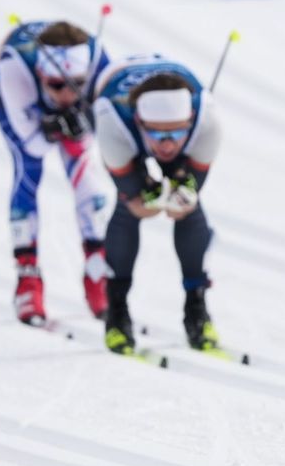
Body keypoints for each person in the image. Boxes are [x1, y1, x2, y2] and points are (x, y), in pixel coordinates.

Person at [91, 54, 223, 356]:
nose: (167, 143)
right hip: (113, 90)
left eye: (177, 132)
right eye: (159, 134)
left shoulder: (208, 124)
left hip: (166, 114)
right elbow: (135, 199)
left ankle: (196, 307)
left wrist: (181, 186)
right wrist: (142, 193)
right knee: (131, 208)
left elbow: (188, 196)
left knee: (187, 207)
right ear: (139, 122)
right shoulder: (113, 122)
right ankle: (117, 311)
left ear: (190, 121)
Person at [0, 20, 112, 325]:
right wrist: (55, 126)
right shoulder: (13, 69)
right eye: (56, 85)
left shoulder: (98, 63)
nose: (67, 94)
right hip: (16, 90)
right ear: (43, 75)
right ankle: (27, 279)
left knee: (83, 166)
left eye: (76, 84)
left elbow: (107, 128)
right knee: (28, 168)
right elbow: (34, 145)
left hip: (51, 85)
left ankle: (98, 273)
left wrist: (82, 122)